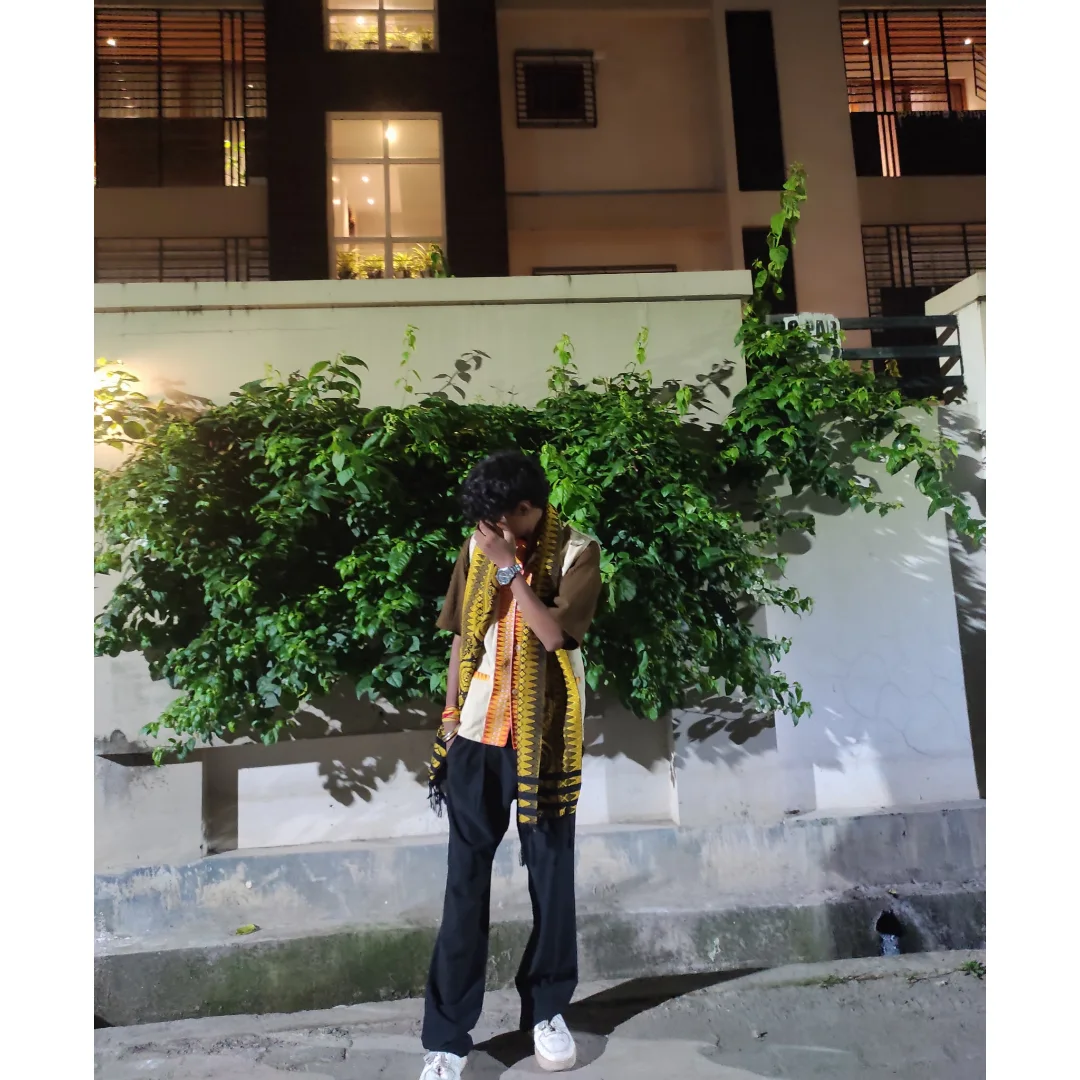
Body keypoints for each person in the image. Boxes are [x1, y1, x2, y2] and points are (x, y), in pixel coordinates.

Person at [419, 450, 604, 1079]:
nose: (492, 529)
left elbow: (553, 636)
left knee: (551, 879)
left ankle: (548, 1011)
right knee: (463, 886)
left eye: (502, 518)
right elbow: (459, 637)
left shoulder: (578, 553)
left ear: (529, 509)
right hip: (477, 737)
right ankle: (447, 1040)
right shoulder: (477, 546)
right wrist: (450, 716)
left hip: (544, 744)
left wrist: (509, 571)